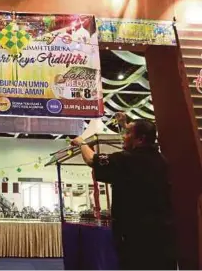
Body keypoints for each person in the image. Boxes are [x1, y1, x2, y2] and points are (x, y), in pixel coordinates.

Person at [71, 112, 176, 270]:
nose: (123, 136)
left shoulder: (127, 160)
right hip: (162, 234)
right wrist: (124, 124)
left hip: (136, 236)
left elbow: (92, 159)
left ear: (140, 139)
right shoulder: (160, 160)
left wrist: (82, 143)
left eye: (127, 133)